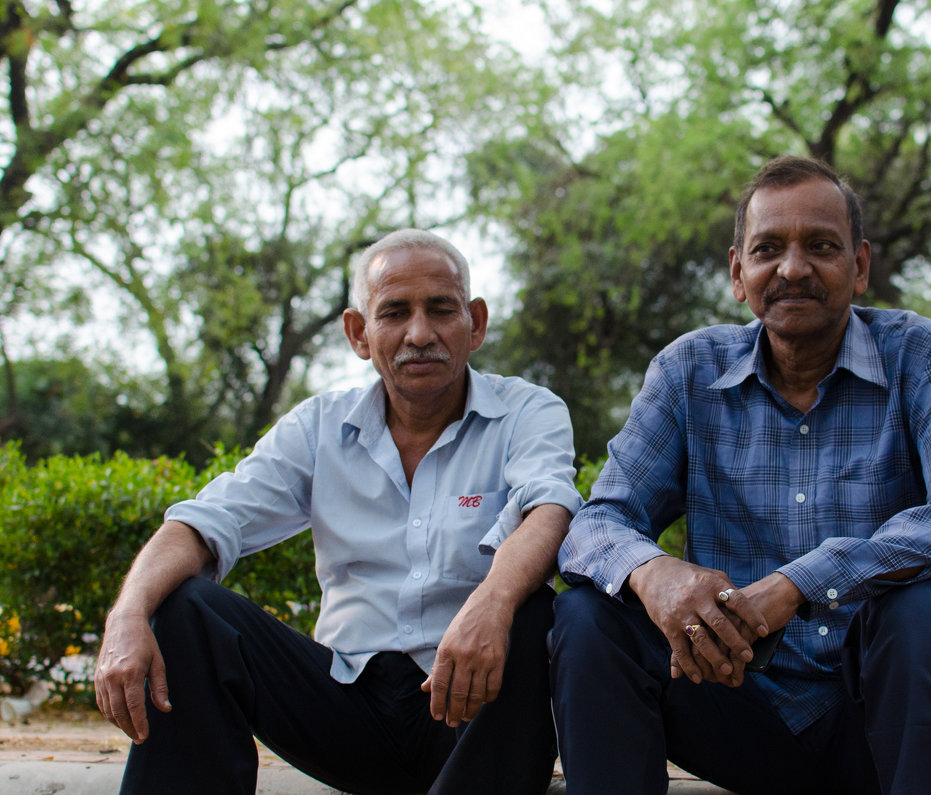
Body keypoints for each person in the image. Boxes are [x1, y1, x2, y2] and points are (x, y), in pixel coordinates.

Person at [551, 156, 931, 794]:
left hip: (889, 713)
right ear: (738, 273)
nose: (793, 268)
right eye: (768, 248)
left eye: (821, 247)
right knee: (588, 615)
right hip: (735, 704)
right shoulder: (688, 370)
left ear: (859, 267)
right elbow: (596, 524)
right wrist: (653, 572)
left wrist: (800, 584)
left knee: (922, 610)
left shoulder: (925, 355)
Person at [94, 229, 582, 794]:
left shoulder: (528, 411)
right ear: (358, 332)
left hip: (476, 708)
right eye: (394, 312)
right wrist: (126, 616)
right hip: (347, 707)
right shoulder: (319, 427)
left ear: (475, 323)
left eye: (441, 309)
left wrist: (492, 603)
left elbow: (548, 508)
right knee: (187, 609)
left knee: (532, 611)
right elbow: (206, 522)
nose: (419, 333)